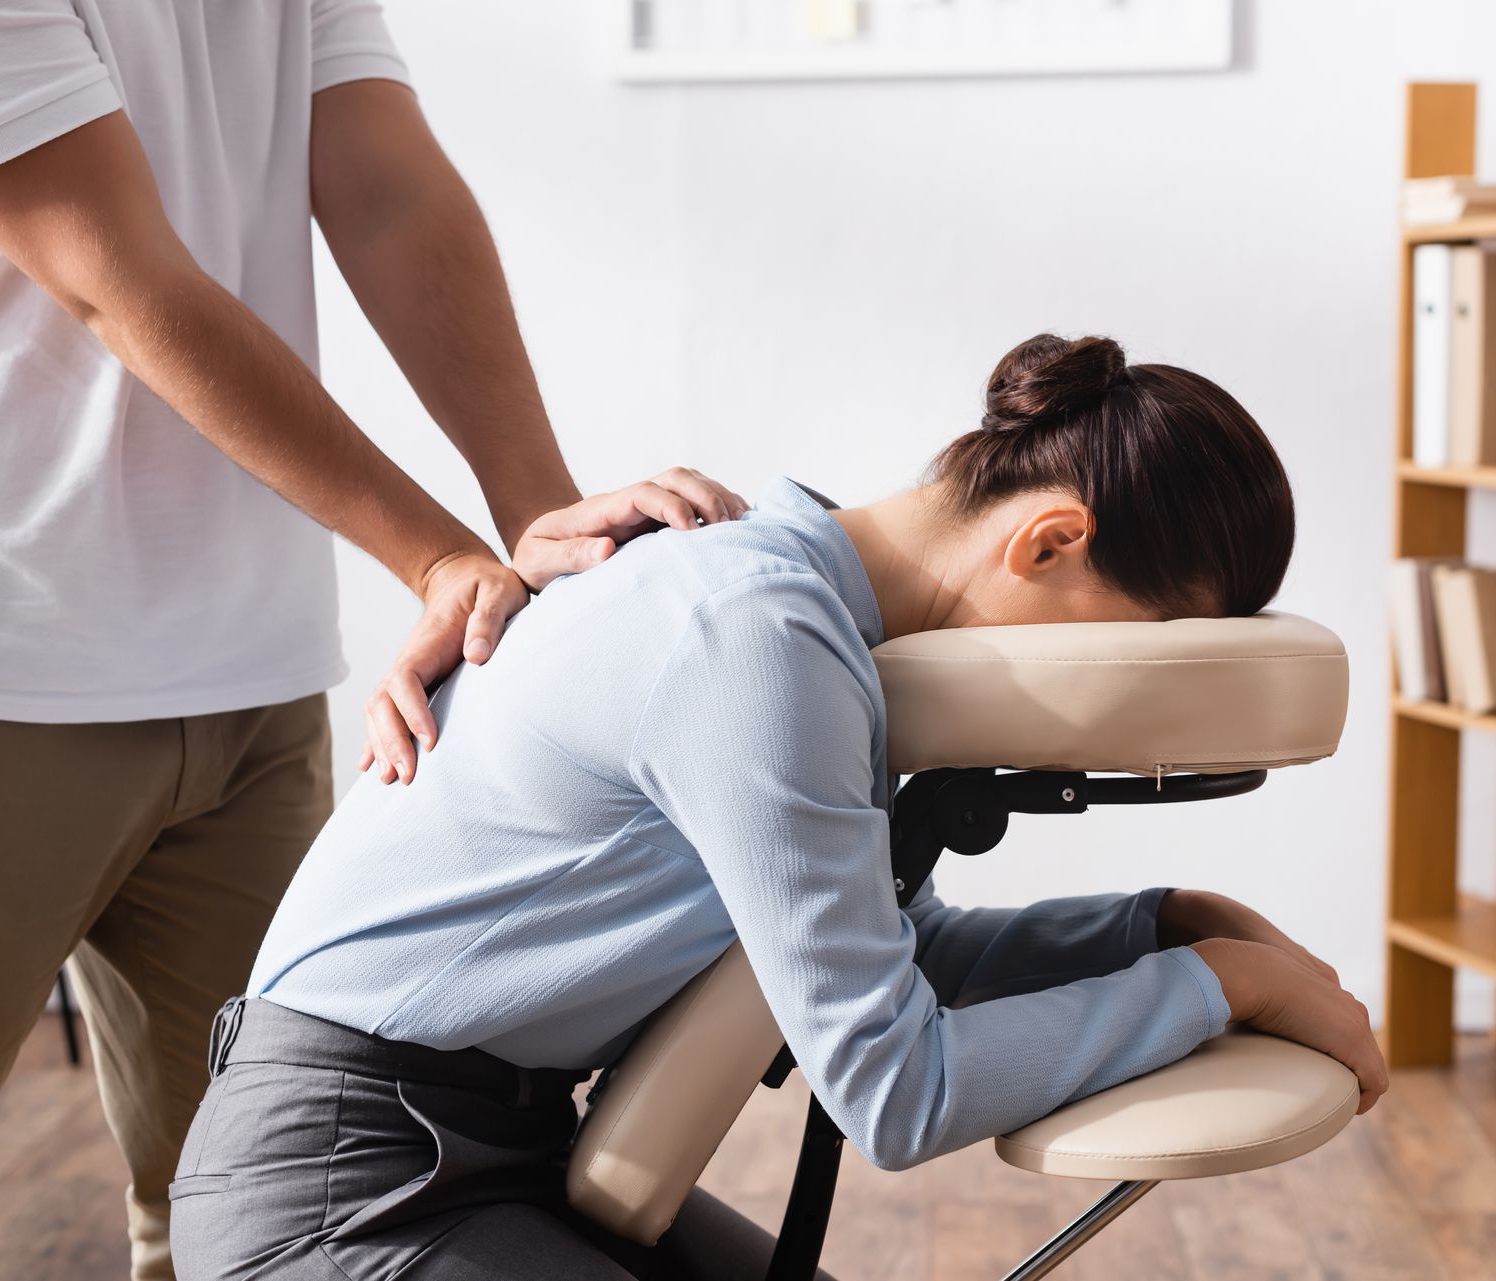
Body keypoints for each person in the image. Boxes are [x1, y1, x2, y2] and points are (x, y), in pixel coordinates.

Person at [0, 4, 740, 1279]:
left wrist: (536, 514)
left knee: (253, 1218)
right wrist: (437, 559)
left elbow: (386, 190)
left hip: (248, 685)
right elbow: (109, 268)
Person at [171, 334, 1391, 1281]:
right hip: (340, 1188)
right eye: (1142, 649)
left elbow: (890, 961)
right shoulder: (757, 637)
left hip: (487, 1150)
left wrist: (1163, 925)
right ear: (1049, 543)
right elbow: (896, 1089)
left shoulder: (797, 619)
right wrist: (1224, 990)